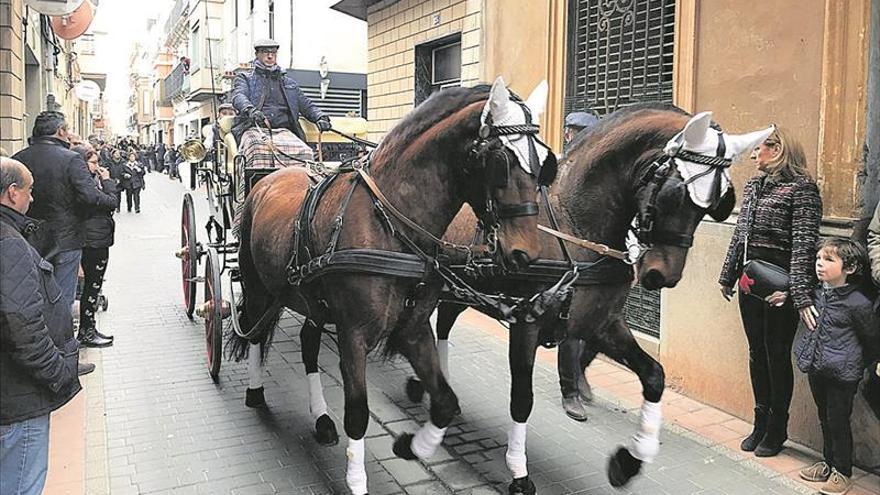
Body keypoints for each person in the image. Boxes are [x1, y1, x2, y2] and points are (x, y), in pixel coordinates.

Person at [718, 125, 822, 457]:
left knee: (776, 356)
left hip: (781, 284)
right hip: (751, 281)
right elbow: (740, 235)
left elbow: (804, 245)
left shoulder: (802, 189)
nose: (752, 155)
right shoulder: (754, 185)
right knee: (756, 353)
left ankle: (777, 429)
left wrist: (796, 292)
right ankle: (759, 422)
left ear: (777, 150)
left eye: (758, 149)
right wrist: (727, 275)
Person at [0, 157, 82, 495]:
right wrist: (58, 373)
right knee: (22, 483)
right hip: (20, 397)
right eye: (29, 191)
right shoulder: (10, 245)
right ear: (12, 192)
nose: (32, 199)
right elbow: (23, 328)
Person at [794, 238, 879, 495]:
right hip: (818, 367)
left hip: (843, 373)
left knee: (838, 420)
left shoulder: (858, 303)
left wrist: (864, 364)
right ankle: (828, 463)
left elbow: (871, 338)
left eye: (829, 260)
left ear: (850, 267)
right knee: (824, 417)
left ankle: (842, 472)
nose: (820, 264)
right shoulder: (818, 295)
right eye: (819, 258)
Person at [11, 111, 117, 314]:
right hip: (65, 239)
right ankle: (62, 343)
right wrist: (110, 197)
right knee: (62, 300)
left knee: (34, 296)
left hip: (29, 237)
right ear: (61, 131)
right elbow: (89, 196)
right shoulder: (70, 159)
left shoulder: (19, 158)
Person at [557, 110, 601, 421]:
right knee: (571, 326)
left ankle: (580, 369)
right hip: (565, 254)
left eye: (578, 132)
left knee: (601, 325)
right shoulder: (558, 166)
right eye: (573, 132)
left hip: (597, 255)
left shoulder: (598, 170)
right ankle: (569, 391)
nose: (573, 137)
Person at [230, 39, 331, 144]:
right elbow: (239, 96)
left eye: (273, 53)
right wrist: (250, 110)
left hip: (286, 131)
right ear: (257, 54)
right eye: (265, 52)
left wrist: (320, 117)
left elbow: (306, 105)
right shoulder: (245, 78)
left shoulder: (289, 83)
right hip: (254, 128)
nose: (270, 56)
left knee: (305, 153)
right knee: (258, 150)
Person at [71, 146, 116, 347]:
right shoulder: (85, 185)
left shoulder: (87, 182)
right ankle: (86, 332)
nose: (98, 166)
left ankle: (89, 328)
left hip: (96, 239)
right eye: (94, 162)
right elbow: (111, 201)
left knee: (93, 288)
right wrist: (107, 181)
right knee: (92, 288)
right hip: (93, 242)